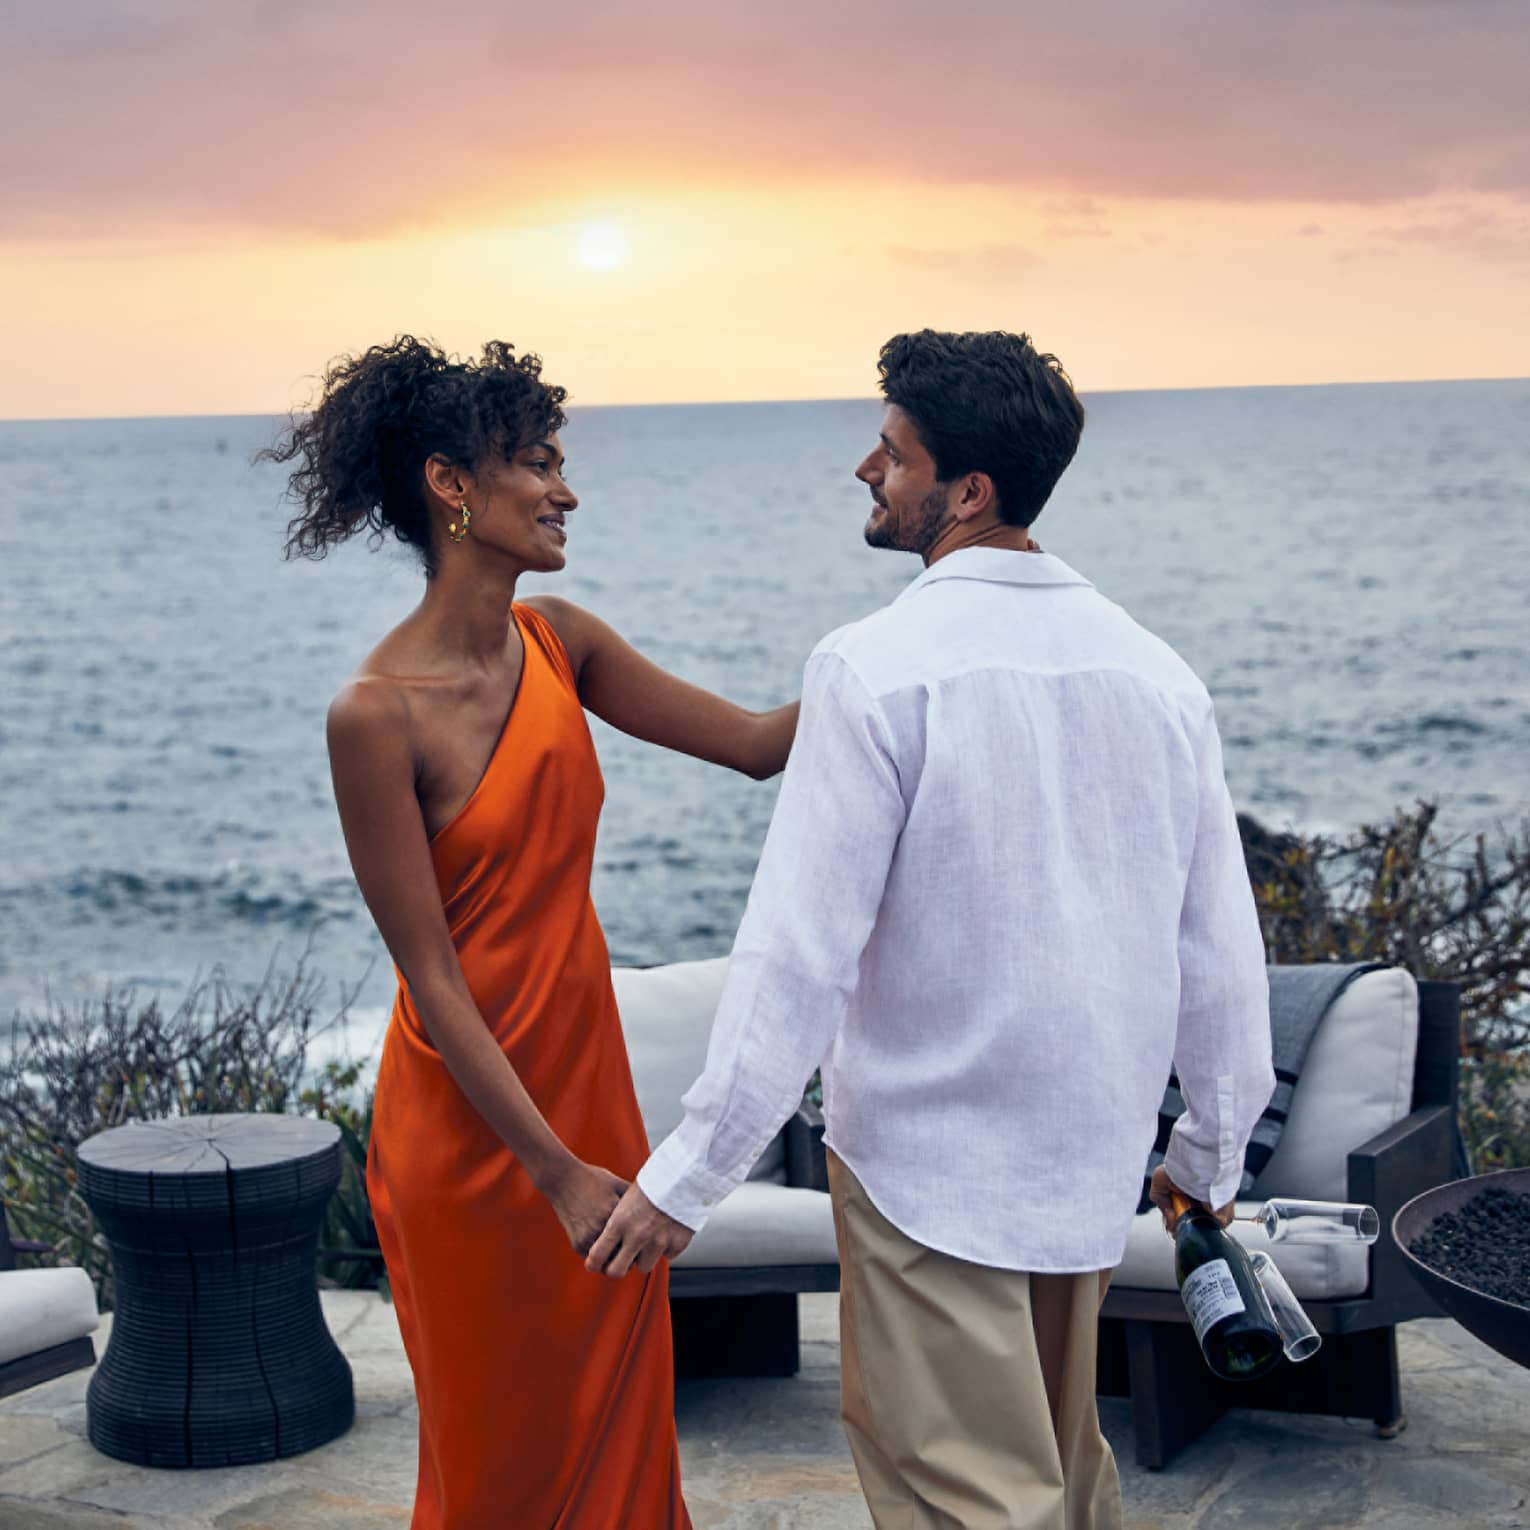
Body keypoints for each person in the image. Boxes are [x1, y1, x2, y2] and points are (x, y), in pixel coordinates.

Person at [589, 329, 1275, 1530]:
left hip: (927, 1171)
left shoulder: (875, 669)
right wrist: (1208, 1159)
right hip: (1088, 1160)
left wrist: (689, 1176)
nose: (868, 467)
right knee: (1064, 1485)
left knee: (964, 1499)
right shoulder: (1160, 676)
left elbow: (799, 952)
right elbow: (1218, 952)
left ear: (968, 492)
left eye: (894, 454)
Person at [263, 336, 797, 1529]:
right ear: (452, 484)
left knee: (615, 1421)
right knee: (502, 1448)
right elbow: (433, 981)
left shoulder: (565, 642)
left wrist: (924, 657)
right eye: (538, 464)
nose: (566, 490)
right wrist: (550, 1169)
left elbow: (762, 746)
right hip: (475, 1138)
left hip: (592, 1098)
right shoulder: (374, 715)